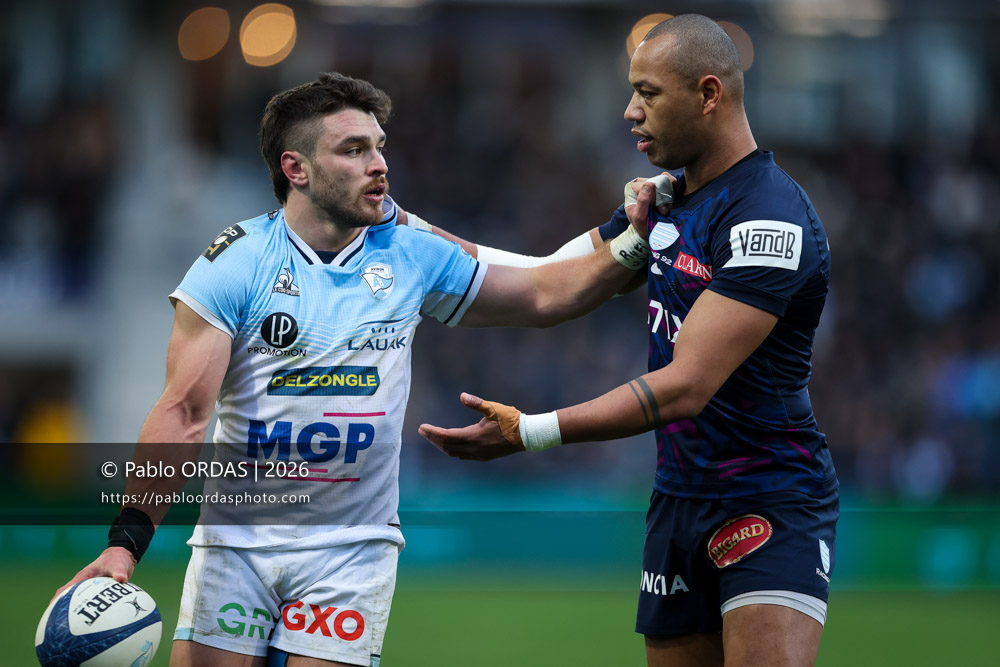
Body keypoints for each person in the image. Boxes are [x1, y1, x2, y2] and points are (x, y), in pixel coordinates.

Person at [55, 72, 658, 667]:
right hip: (237, 542)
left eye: (379, 147)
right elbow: (184, 414)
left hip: (352, 550)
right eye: (353, 149)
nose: (379, 164)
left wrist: (632, 237)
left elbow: (545, 293)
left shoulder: (412, 250)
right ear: (296, 169)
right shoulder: (234, 264)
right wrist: (125, 546)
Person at [419, 14, 838, 667]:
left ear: (708, 93)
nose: (629, 111)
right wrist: (395, 230)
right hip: (676, 500)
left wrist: (531, 431)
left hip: (769, 496)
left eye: (648, 93)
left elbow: (686, 385)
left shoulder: (769, 218)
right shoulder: (664, 203)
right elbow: (544, 284)